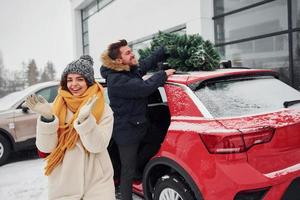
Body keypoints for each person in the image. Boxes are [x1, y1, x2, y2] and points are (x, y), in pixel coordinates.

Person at [24, 55, 115, 200]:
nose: (74, 84)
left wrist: (86, 121)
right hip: (64, 183)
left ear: (89, 82)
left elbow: (98, 146)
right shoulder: (55, 107)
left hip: (97, 182)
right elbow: (45, 149)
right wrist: (48, 119)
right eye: (70, 80)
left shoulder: (103, 110)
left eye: (80, 79)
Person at [100, 39, 175, 200]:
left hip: (141, 125)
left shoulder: (127, 70)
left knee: (157, 141)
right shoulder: (116, 80)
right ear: (119, 60)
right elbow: (144, 89)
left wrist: (162, 50)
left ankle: (137, 168)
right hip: (126, 132)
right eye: (128, 53)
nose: (132, 54)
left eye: (130, 50)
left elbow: (145, 64)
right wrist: (162, 74)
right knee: (126, 172)